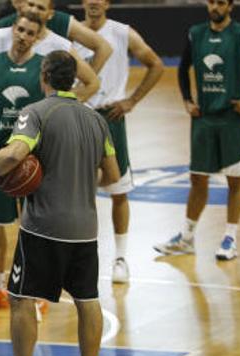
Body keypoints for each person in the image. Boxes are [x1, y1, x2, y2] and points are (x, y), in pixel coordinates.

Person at [0, 51, 120, 356]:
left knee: (21, 300)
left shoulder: (35, 112)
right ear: (74, 79)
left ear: (44, 76)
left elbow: (12, 156)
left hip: (44, 228)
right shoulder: (96, 119)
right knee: (88, 301)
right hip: (85, 229)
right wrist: (78, 182)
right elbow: (111, 176)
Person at [155, 0, 240, 261]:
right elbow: (182, 68)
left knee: (235, 180)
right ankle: (187, 238)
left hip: (232, 119)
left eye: (221, 2)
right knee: (197, 179)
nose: (215, 6)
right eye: (211, 1)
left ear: (230, 7)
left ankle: (230, 238)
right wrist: (187, 100)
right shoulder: (195, 33)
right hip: (204, 118)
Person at [76, 0, 163, 283]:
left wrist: (132, 100)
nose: (93, 2)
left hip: (111, 116)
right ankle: (80, 257)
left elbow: (155, 65)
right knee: (79, 192)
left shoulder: (123, 32)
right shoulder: (71, 33)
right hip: (81, 116)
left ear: (107, 3)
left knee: (118, 189)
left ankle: (121, 258)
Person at [0, 13, 49, 317]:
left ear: (37, 36)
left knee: (33, 230)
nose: (23, 35)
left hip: (32, 160)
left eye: (30, 32)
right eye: (20, 29)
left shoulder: (43, 67)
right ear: (12, 31)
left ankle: (34, 288)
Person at [0, 0, 111, 75]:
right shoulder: (2, 28)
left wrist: (77, 90)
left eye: (39, 7)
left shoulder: (61, 21)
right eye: (30, 4)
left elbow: (103, 47)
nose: (33, 9)